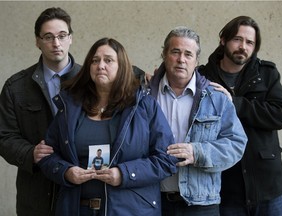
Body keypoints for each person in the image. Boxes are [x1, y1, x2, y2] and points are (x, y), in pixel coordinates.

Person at [37, 37, 178, 216]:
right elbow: (47, 155)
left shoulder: (143, 106)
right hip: (76, 208)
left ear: (122, 67)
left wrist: (124, 174)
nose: (100, 65)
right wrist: (66, 172)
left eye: (108, 60)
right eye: (95, 60)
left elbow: (166, 161)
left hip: (130, 210)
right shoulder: (70, 107)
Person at [149, 26, 248, 216]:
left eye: (188, 54)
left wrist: (197, 152)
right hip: (152, 201)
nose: (181, 59)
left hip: (201, 203)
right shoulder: (144, 95)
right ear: (164, 54)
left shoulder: (216, 98)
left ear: (197, 61)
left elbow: (237, 144)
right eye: (175, 52)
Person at [198, 16, 282, 216]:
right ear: (223, 39)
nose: (243, 47)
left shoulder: (267, 73)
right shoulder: (202, 77)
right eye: (238, 39)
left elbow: (280, 115)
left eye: (250, 42)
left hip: (267, 185)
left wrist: (235, 103)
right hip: (226, 187)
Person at [0, 7, 81, 216]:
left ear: (70, 38)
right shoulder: (16, 87)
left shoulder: (89, 80)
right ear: (37, 41)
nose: (56, 43)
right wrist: (30, 153)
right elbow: (4, 136)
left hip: (81, 191)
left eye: (62, 36)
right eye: (48, 37)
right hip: (35, 193)